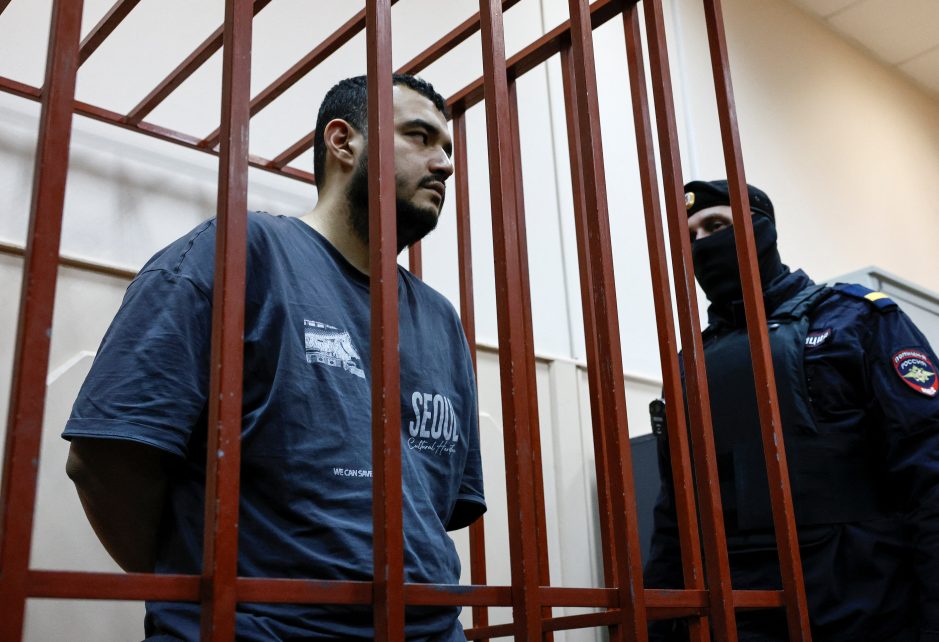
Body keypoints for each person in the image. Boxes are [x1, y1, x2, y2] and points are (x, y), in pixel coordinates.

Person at [63, 74, 486, 641]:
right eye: (420, 136)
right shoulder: (239, 252)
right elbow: (105, 461)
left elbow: (434, 510)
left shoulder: (440, 319)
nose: (445, 163)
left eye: (449, 148)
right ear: (343, 142)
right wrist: (206, 601)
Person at [644, 179, 939, 641]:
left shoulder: (857, 320)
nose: (703, 245)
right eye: (689, 239)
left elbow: (929, 470)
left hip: (864, 604)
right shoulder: (691, 365)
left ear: (762, 230)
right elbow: (675, 514)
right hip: (742, 610)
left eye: (716, 225)